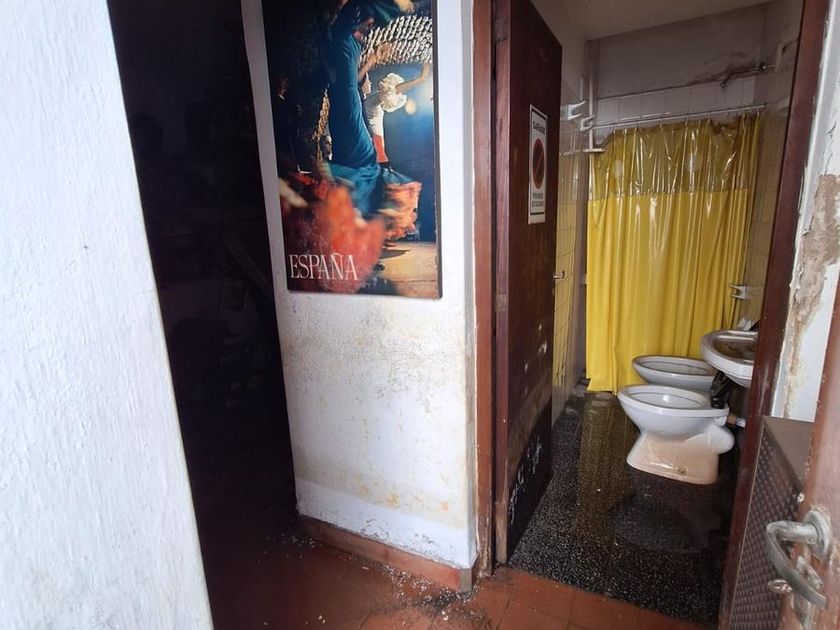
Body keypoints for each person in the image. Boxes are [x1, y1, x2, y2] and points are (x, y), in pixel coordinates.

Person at [362, 63, 431, 165]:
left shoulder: (366, 102)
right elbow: (394, 90)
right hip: (377, 150)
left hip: (376, 149)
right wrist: (419, 80)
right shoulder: (370, 103)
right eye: (367, 80)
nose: (370, 82)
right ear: (362, 84)